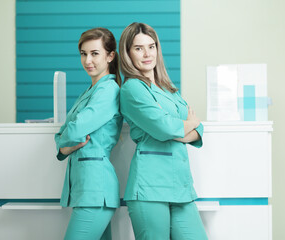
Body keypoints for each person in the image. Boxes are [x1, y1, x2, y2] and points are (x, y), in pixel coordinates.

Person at [119, 22, 208, 240]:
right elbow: (164, 127)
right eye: (138, 48)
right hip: (150, 187)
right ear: (128, 53)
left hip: (180, 185)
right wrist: (185, 125)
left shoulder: (168, 88)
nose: (147, 53)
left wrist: (180, 128)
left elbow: (199, 128)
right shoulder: (132, 89)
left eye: (151, 46)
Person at [54, 27, 122, 240]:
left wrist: (64, 141)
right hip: (87, 191)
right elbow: (63, 134)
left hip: (96, 190)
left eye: (95, 53)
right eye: (83, 54)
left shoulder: (108, 91)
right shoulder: (89, 92)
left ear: (110, 56)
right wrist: (64, 145)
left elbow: (72, 129)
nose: (87, 60)